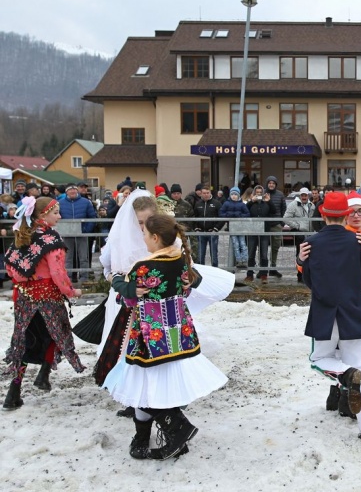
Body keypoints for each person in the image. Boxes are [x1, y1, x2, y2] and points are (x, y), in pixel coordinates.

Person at [103, 214, 228, 460]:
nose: (143, 239)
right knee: (160, 383)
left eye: (145, 234)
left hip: (150, 335)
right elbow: (193, 282)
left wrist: (115, 279)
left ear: (155, 237)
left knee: (142, 383)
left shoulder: (144, 267)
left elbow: (129, 297)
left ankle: (175, 428)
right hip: (177, 332)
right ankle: (168, 432)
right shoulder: (181, 259)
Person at [297, 192, 361, 445]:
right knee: (359, 369)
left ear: (322, 215)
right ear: (345, 215)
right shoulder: (359, 241)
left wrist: (300, 260)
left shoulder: (310, 243)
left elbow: (308, 281)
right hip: (354, 310)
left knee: (318, 359)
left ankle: (344, 375)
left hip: (324, 311)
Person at [3, 196, 86, 410]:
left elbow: (10, 266)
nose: (59, 216)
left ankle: (14, 391)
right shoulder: (51, 239)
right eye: (55, 212)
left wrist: (25, 282)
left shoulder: (22, 235)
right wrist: (71, 291)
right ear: (42, 215)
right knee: (55, 332)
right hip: (48, 295)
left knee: (25, 339)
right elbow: (58, 272)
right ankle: (44, 373)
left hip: (24, 296)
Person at [58, 183, 97, 282]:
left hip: (82, 233)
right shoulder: (60, 203)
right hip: (67, 233)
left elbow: (92, 217)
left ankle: (84, 277)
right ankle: (68, 277)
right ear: (66, 192)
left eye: (74, 189)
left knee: (83, 257)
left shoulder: (86, 202)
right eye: (70, 190)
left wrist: (86, 229)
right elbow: (57, 217)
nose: (72, 191)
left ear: (77, 191)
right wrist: (61, 229)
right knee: (68, 257)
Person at [246, 184, 273, 283]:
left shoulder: (266, 203)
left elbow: (274, 211)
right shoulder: (251, 203)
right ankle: (249, 274)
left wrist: (269, 201)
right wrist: (251, 201)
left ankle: (264, 274)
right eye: (257, 193)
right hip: (252, 231)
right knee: (251, 253)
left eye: (260, 193)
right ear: (254, 193)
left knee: (264, 254)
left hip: (264, 231)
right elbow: (245, 210)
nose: (258, 194)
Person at [193, 186, 223, 268]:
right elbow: (194, 217)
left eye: (207, 193)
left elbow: (222, 217)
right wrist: (196, 228)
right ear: (201, 194)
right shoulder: (198, 204)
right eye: (204, 193)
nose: (206, 195)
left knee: (214, 256)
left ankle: (215, 271)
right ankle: (201, 271)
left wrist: (216, 228)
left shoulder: (217, 203)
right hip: (201, 233)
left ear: (210, 193)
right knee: (200, 256)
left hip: (212, 232)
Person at [219, 187, 250, 268]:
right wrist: (228, 215)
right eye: (232, 194)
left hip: (241, 227)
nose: (233, 196)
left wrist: (240, 215)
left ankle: (244, 260)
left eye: (235, 194)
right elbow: (221, 213)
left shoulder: (242, 204)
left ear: (238, 195)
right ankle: (238, 260)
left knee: (242, 244)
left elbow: (247, 214)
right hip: (232, 227)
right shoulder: (226, 204)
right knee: (235, 244)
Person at [264, 176, 287, 278]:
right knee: (263, 248)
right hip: (265, 224)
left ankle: (273, 268)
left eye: (273, 183)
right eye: (270, 183)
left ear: (276, 184)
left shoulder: (280, 194)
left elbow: (284, 209)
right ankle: (262, 269)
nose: (271, 185)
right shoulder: (263, 193)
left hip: (276, 224)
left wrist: (282, 222)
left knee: (275, 247)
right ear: (267, 184)